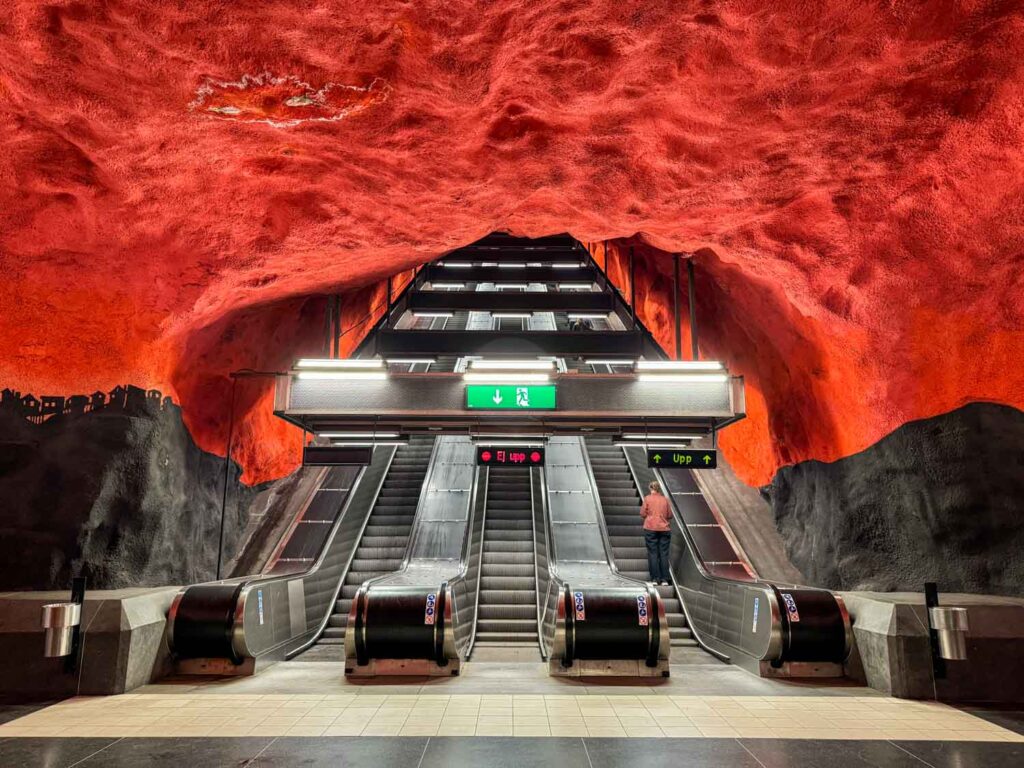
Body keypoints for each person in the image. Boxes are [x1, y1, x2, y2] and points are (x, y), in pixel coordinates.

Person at [640, 480, 672, 585]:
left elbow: (643, 513)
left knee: (653, 553)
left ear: (651, 488)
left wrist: (650, 516)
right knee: (663, 553)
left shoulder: (647, 499)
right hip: (664, 529)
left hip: (650, 528)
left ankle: (655, 579)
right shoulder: (665, 500)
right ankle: (665, 580)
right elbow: (669, 515)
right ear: (659, 489)